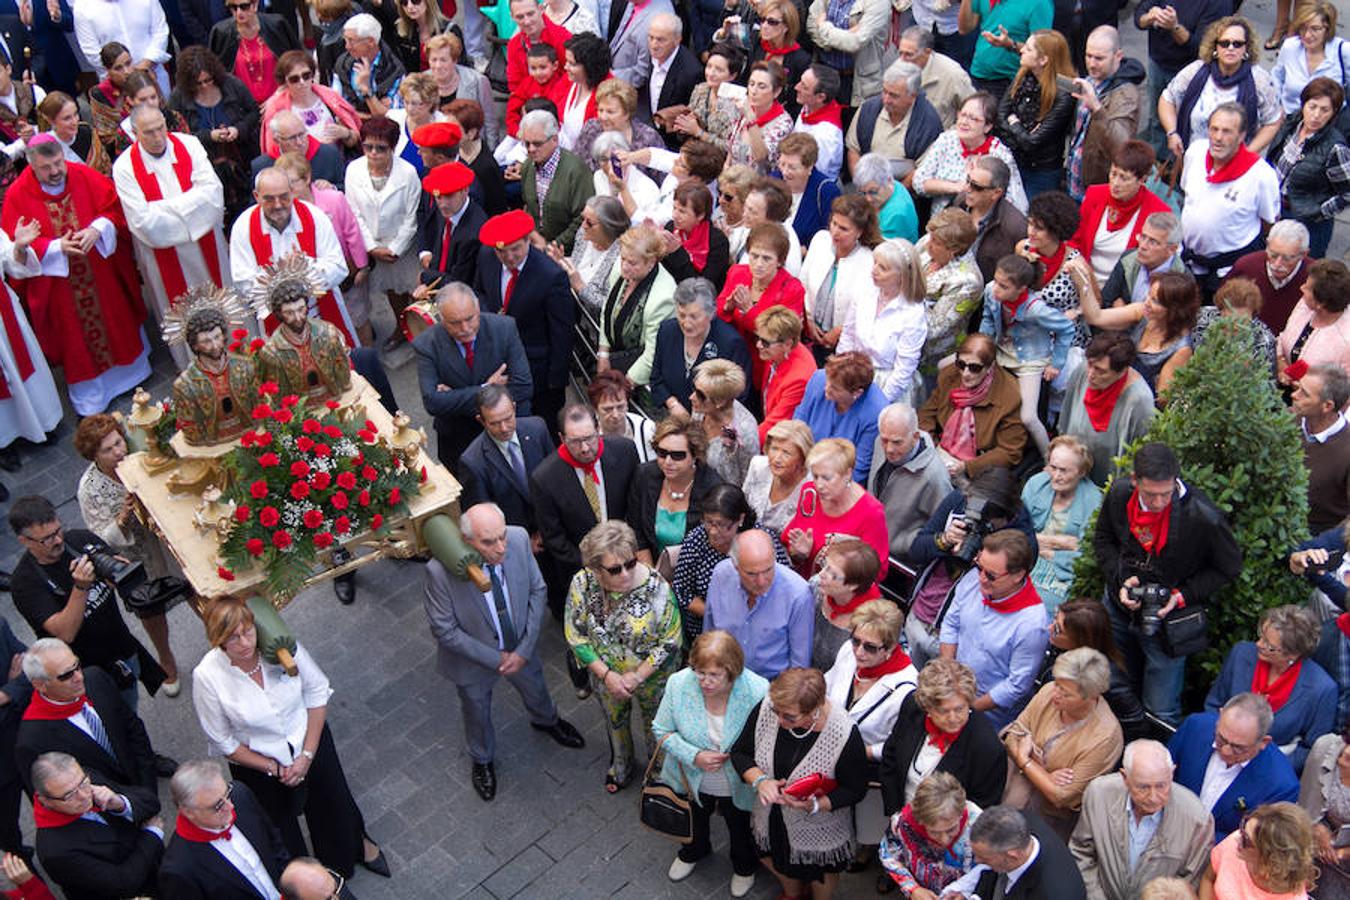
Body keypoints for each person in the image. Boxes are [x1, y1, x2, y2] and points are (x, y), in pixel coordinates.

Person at [190, 599, 387, 878]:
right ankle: (306, 882)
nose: (245, 643)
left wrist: (306, 756)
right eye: (233, 638)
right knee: (279, 828)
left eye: (248, 632)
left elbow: (317, 691)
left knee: (333, 805)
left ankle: (345, 859)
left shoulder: (279, 646)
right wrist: (273, 767)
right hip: (259, 765)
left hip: (310, 740)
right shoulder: (208, 676)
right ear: (218, 641)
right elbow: (223, 740)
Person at [424, 503, 585, 801]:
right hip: (474, 661)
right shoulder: (439, 572)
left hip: (520, 647)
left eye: (502, 537)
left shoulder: (520, 538)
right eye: (488, 542)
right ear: (465, 540)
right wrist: (495, 659)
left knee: (536, 686)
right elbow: (444, 630)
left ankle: (547, 720)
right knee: (476, 709)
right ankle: (482, 758)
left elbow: (538, 590)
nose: (500, 548)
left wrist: (523, 650)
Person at [1094, 442, 1242, 726]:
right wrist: (1121, 578)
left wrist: (1183, 595)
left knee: (1160, 710)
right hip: (1117, 608)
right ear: (1134, 480)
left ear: (1176, 481)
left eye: (1166, 493)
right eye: (1150, 495)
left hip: (1168, 620)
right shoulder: (1119, 494)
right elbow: (1104, 541)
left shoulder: (1202, 515)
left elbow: (1229, 567)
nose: (1159, 502)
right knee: (1113, 690)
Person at [1, 137, 149, 416]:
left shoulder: (82, 173)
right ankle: (91, 398)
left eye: (58, 163)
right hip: (59, 288)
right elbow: (12, 246)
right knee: (75, 340)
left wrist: (97, 228)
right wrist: (54, 247)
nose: (56, 171)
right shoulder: (18, 195)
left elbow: (114, 208)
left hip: (101, 274)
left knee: (116, 321)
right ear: (31, 165)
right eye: (46, 168)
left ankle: (132, 375)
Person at [7, 499, 164, 713]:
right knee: (111, 721)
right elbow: (65, 633)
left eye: (58, 530)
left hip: (124, 650)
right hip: (84, 675)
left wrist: (118, 571)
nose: (58, 540)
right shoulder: (25, 583)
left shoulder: (79, 539)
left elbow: (126, 577)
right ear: (25, 541)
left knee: (130, 707)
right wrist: (81, 587)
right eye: (47, 539)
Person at [730, 667, 868, 900]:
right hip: (771, 814)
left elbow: (855, 789)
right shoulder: (770, 707)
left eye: (790, 717)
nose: (780, 720)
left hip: (819, 824)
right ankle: (792, 893)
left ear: (815, 710)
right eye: (777, 712)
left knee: (819, 874)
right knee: (770, 855)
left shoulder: (844, 733)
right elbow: (740, 753)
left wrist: (814, 805)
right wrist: (761, 781)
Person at [566, 520, 682, 792]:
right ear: (595, 569)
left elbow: (671, 638)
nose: (627, 574)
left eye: (630, 563)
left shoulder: (655, 586)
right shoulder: (582, 584)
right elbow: (576, 634)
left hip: (654, 679)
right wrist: (607, 676)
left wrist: (637, 676)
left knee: (657, 727)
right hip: (607, 678)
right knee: (614, 722)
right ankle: (622, 764)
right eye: (615, 569)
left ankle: (657, 774)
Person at [652, 630, 768, 896]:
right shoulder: (679, 683)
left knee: (740, 826)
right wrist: (694, 755)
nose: (704, 681)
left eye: (714, 675)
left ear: (733, 670)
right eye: (699, 672)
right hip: (691, 776)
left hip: (737, 780)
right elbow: (661, 730)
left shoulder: (759, 690)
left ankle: (744, 867)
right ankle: (694, 850)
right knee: (694, 818)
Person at [112, 106, 228, 369]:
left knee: (222, 301)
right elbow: (144, 222)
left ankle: (234, 351)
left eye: (161, 128)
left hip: (207, 242)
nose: (157, 137)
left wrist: (165, 208)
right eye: (148, 132)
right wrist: (191, 207)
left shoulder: (190, 144)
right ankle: (193, 368)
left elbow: (211, 195)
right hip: (162, 254)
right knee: (179, 311)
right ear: (135, 133)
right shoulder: (124, 167)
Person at [73, 416, 180, 694]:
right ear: (94, 456)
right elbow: (97, 538)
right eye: (107, 450)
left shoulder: (138, 452)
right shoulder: (89, 489)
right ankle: (166, 659)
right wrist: (121, 519)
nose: (118, 451)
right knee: (151, 610)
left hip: (167, 537)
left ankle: (223, 641)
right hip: (136, 556)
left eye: (118, 442)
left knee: (193, 590)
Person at [531, 401, 642, 633]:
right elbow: (554, 538)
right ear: (561, 438)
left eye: (590, 438)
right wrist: (596, 567)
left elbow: (635, 506)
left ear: (598, 429)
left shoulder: (624, 451)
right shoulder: (545, 478)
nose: (585, 448)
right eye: (575, 441)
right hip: (582, 570)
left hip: (627, 561)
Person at [15, 637, 161, 800]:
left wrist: (148, 793)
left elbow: (133, 729)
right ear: (40, 685)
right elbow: (52, 801)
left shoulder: (96, 678)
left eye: (77, 666)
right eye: (66, 675)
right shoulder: (33, 742)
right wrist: (127, 808)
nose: (78, 677)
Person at [1001, 647, 1124, 838]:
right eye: (1056, 684)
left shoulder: (1105, 737)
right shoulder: (1049, 691)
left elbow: (1061, 796)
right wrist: (1044, 772)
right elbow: (1012, 737)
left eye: (1066, 693)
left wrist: (1026, 759)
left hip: (1046, 824)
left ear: (1091, 697)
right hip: (1010, 796)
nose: (1054, 694)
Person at [1069, 740, 1214, 898]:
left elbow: (1189, 881)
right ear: (1125, 777)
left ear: (1172, 773)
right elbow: (1081, 852)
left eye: (1161, 786)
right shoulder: (1099, 795)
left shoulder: (1197, 820)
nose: (1153, 797)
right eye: (1143, 787)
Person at [471, 209, 574, 427]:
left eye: (515, 249)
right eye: (502, 251)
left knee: (541, 425)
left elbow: (562, 332)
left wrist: (556, 381)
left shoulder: (551, 276)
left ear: (528, 240)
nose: (509, 257)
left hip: (536, 369)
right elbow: (478, 291)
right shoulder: (487, 257)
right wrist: (491, 315)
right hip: (496, 360)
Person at [939, 529, 1049, 731]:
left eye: (990, 575)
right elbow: (951, 624)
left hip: (987, 717)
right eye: (979, 566)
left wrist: (967, 708)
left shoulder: (1032, 624)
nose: (981, 578)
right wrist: (948, 674)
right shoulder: (973, 579)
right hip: (951, 691)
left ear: (1018, 575)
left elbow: (1016, 685)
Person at [1204, 606, 1337, 773]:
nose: (1259, 644)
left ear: (1293, 655)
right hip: (1219, 753)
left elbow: (1312, 749)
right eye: (1261, 636)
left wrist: (1269, 767)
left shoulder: (1322, 689)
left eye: (1270, 646)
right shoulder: (1241, 654)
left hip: (1267, 771)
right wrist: (1220, 745)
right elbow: (1214, 704)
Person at [414, 284, 534, 467]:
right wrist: (488, 388)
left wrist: (454, 396)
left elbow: (523, 386)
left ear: (478, 308)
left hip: (507, 432)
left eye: (470, 318)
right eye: (455, 323)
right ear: (441, 318)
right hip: (459, 439)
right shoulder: (426, 345)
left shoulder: (504, 328)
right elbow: (433, 402)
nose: (465, 328)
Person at [229, 168, 353, 343]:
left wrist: (304, 266)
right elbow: (242, 281)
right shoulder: (244, 226)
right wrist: (285, 280)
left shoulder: (314, 217)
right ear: (256, 196)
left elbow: (339, 267)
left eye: (284, 197)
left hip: (321, 313)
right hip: (276, 321)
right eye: (269, 199)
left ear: (292, 192)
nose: (278, 205)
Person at [880, 657, 1007, 826]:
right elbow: (891, 756)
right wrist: (895, 814)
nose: (953, 718)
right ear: (927, 707)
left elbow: (981, 809)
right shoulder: (912, 708)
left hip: (948, 835)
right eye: (943, 711)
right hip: (901, 820)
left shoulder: (987, 748)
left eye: (960, 709)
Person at [1178, 102, 1282, 300]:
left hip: (1229, 271)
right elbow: (1187, 194)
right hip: (1190, 264)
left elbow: (1270, 222)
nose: (1218, 138)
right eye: (1214, 129)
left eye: (1227, 131)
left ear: (1242, 135)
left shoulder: (1261, 174)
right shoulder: (1195, 153)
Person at [978, 252, 1075, 459]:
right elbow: (988, 317)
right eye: (996, 281)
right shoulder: (990, 292)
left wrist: (1056, 363)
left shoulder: (1036, 309)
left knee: (1029, 417)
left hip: (1029, 358)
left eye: (1004, 286)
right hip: (1002, 349)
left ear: (1021, 289)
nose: (996, 289)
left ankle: (1049, 458)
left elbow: (1066, 329)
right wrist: (982, 345)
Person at [29, 753, 163, 900]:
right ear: (45, 801)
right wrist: (152, 835)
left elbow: (151, 802)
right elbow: (122, 884)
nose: (84, 796)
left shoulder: (84, 781)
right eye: (69, 796)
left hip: (155, 868)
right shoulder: (55, 852)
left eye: (83, 784)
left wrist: (120, 803)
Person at [1170, 692, 1300, 843]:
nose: (1225, 750)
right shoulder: (1195, 727)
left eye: (1238, 748)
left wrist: (1198, 839)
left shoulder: (1281, 785)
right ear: (1220, 716)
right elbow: (1164, 776)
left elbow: (1256, 843)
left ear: (1263, 742)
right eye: (1221, 739)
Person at [158, 761, 289, 898]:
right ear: (188, 812)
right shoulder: (178, 870)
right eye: (218, 806)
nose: (230, 807)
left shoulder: (240, 795)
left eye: (227, 793)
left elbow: (273, 841)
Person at [344, 115, 420, 348]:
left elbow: (412, 216)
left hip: (403, 248)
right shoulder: (353, 170)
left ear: (393, 147)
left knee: (413, 290)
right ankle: (401, 327)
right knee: (391, 292)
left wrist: (395, 248)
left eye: (381, 148)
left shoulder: (407, 173)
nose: (373, 153)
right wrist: (373, 248)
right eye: (368, 146)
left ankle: (419, 329)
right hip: (375, 246)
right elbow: (353, 213)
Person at [918, 333, 1028, 495]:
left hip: (979, 466)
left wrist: (967, 467)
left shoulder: (1009, 396)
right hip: (940, 451)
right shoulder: (949, 376)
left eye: (974, 368)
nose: (965, 373)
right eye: (961, 364)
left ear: (990, 367)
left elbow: (1010, 451)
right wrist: (933, 448)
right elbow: (927, 414)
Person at [1160, 16, 1284, 159]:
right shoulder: (1195, 71)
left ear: (1246, 48)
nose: (1230, 48)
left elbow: (1273, 122)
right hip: (1193, 159)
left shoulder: (1260, 80)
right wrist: (1172, 133)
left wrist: (1247, 154)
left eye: (1237, 44)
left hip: (1236, 165)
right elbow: (1167, 99)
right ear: (1215, 47)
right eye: (1224, 43)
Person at [705, 530, 814, 680]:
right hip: (723, 679)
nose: (762, 581)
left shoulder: (798, 594)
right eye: (751, 574)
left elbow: (799, 664)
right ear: (735, 566)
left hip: (771, 687)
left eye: (768, 570)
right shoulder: (720, 575)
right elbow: (709, 635)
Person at [168, 47, 260, 220]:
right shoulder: (179, 97)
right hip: (205, 165)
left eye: (208, 80)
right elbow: (176, 135)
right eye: (198, 83)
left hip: (242, 158)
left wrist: (238, 129)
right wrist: (208, 136)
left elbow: (253, 112)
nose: (204, 86)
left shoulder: (232, 84)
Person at [1265, 77, 1350, 259]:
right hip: (1276, 207)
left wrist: (1319, 212)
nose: (1316, 115)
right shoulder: (1291, 124)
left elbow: (1347, 192)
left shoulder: (1335, 147)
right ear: (1303, 105)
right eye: (1313, 107)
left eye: (1325, 110)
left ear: (1333, 113)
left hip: (1308, 220)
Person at [1081, 270, 1200, 399]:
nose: (1147, 302)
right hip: (1110, 385)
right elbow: (1096, 317)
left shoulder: (1182, 350)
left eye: (1156, 301)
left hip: (1136, 400)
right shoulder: (1141, 312)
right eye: (1149, 295)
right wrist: (1082, 281)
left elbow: (1162, 398)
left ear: (1174, 310)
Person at [1057, 333, 1156, 487]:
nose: (1090, 374)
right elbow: (1065, 419)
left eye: (1100, 371)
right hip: (1070, 477)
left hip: (1106, 485)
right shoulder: (1083, 371)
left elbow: (1141, 455)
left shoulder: (1140, 401)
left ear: (1122, 371)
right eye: (1090, 365)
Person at [715, 223, 804, 391]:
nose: (758, 264)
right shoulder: (737, 272)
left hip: (764, 368)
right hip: (732, 360)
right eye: (754, 256)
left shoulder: (792, 289)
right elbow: (718, 311)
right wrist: (728, 307)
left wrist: (749, 310)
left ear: (780, 261)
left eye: (766, 258)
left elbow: (780, 335)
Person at [1071, 141, 1172, 287]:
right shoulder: (1095, 194)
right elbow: (1076, 241)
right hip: (1085, 281)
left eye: (1124, 178)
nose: (1115, 183)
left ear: (1142, 180)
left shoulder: (1158, 211)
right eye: (1113, 174)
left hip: (1124, 291)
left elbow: (1155, 264)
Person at [1019, 437, 1102, 612]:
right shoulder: (1036, 484)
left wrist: (1046, 550)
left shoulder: (1093, 499)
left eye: (1064, 471)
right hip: (1026, 563)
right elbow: (1018, 533)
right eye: (1053, 468)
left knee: (1042, 609)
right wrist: (1062, 543)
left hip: (1062, 576)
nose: (1056, 476)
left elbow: (1086, 554)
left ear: (1081, 472)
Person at [253, 261, 352, 407]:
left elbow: (343, 377)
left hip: (337, 399)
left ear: (307, 305)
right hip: (302, 413)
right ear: (278, 314)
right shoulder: (272, 352)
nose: (298, 317)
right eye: (289, 313)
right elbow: (280, 397)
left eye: (301, 309)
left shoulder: (327, 333)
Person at [839, 239, 927, 404]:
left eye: (883, 268)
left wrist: (880, 401)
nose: (874, 270)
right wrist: (842, 372)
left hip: (887, 384)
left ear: (902, 275)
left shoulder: (913, 312)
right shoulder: (864, 292)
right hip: (855, 373)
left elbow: (904, 367)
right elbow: (848, 335)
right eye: (875, 263)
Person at [627, 413, 723, 562]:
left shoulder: (713, 488)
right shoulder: (644, 475)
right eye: (662, 453)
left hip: (693, 571)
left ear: (696, 455)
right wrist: (652, 577)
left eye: (678, 455)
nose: (668, 461)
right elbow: (636, 530)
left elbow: (713, 545)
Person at [457, 387, 555, 533]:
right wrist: (520, 540)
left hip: (555, 526)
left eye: (508, 418)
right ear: (481, 421)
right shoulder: (473, 462)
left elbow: (556, 478)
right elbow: (484, 519)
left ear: (514, 408)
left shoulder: (537, 429)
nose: (504, 428)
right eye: (494, 423)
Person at [0, 216, 58, 461]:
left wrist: (20, 246)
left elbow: (12, 262)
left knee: (20, 365)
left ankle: (41, 421)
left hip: (4, 314)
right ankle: (4, 442)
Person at [651, 279, 752, 420]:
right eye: (681, 315)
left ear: (711, 313)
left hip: (712, 423)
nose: (686, 323)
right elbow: (656, 379)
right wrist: (673, 405)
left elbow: (738, 397)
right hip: (671, 417)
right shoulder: (667, 331)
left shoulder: (731, 343)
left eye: (694, 316)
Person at [1066, 27, 1147, 201]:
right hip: (1074, 180)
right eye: (1088, 56)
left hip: (1098, 189)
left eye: (1099, 58)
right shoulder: (1089, 81)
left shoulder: (1126, 94)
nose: (1092, 64)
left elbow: (1121, 146)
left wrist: (1097, 108)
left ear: (1118, 56)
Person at [914, 93, 1028, 216]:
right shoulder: (947, 140)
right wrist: (956, 187)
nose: (964, 122)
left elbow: (1015, 203)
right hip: (941, 221)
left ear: (988, 127)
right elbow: (919, 182)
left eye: (973, 119)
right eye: (962, 115)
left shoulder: (1000, 155)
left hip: (982, 226)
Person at [940, 804, 1088, 899]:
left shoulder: (1055, 895)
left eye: (984, 858)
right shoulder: (1019, 822)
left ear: (1013, 855)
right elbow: (989, 873)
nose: (977, 861)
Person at [995, 29, 1077, 199]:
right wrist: (1021, 133)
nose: (1022, 50)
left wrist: (1015, 123)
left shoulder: (1063, 94)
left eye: (1029, 48)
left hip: (1042, 172)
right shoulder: (1023, 77)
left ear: (1043, 59)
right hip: (1014, 161)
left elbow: (1034, 141)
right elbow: (1001, 116)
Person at [869, 403, 952, 566]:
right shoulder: (880, 440)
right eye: (885, 440)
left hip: (899, 561)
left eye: (897, 442)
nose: (889, 449)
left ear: (915, 437)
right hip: (870, 544)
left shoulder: (934, 476)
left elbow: (942, 527)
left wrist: (908, 543)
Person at [594, 224, 676, 389]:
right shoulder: (622, 267)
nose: (624, 266)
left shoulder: (663, 298)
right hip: (615, 354)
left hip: (639, 372)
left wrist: (623, 386)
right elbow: (607, 309)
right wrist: (603, 354)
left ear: (651, 262)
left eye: (632, 263)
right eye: (623, 258)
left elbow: (652, 353)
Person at [878, 771, 981, 898]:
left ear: (961, 813)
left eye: (951, 829)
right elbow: (888, 854)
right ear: (919, 820)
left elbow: (990, 867)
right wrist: (913, 888)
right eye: (933, 832)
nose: (944, 840)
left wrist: (965, 892)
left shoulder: (980, 825)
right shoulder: (902, 823)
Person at [792, 354, 888, 483]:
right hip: (802, 468)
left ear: (856, 393)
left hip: (838, 483)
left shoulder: (875, 413)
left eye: (835, 388)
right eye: (827, 382)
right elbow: (796, 428)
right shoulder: (819, 379)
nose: (826, 388)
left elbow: (858, 469)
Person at [845, 60, 944, 182]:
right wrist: (863, 187)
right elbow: (854, 150)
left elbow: (921, 170)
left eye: (894, 95)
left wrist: (893, 196)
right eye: (884, 91)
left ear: (912, 96)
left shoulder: (929, 123)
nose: (886, 99)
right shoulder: (868, 109)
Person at [914, 215, 981, 396]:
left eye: (935, 242)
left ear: (953, 250)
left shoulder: (967, 280)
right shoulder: (930, 241)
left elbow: (934, 328)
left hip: (932, 358)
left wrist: (907, 292)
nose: (928, 244)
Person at [1200, 802, 1316, 899]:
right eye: (1242, 827)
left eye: (1246, 840)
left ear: (1272, 858)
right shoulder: (1234, 843)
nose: (1237, 838)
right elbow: (1208, 879)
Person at [259, 50, 361, 156]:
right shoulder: (276, 107)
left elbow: (354, 139)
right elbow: (273, 150)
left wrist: (345, 133)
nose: (302, 82)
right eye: (295, 79)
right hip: (300, 167)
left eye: (306, 75)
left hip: (335, 163)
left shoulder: (329, 96)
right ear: (285, 81)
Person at [552, 195, 627, 329]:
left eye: (589, 222)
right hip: (569, 313)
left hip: (593, 329)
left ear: (608, 226)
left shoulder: (623, 257)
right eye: (583, 219)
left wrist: (580, 287)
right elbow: (575, 268)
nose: (583, 225)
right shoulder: (583, 234)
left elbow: (613, 308)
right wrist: (562, 263)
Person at [1291, 364, 1350, 534]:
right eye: (1298, 388)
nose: (1294, 395)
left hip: (1319, 539)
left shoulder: (1346, 449)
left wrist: (1316, 547)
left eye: (1304, 394)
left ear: (1327, 406)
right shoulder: (1284, 422)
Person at [1227, 220, 1313, 335]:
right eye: (1273, 255)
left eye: (1287, 258)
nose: (1277, 264)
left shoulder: (1314, 278)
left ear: (1304, 254)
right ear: (1267, 244)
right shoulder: (1245, 267)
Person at [207, 0, 300, 104]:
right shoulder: (221, 33)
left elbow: (297, 62)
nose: (239, 12)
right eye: (233, 7)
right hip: (243, 107)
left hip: (281, 100)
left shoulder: (276, 24)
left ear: (255, 5)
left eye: (244, 6)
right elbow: (215, 74)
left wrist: (279, 96)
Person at [810, 537, 882, 669]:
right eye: (825, 565)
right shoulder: (816, 586)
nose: (821, 574)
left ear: (853, 585)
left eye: (833, 574)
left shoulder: (874, 621)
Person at [73, 0, 170, 97]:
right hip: (116, 87)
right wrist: (121, 71)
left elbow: (160, 31)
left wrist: (146, 63)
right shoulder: (82, 7)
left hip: (152, 73)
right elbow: (91, 52)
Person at [959, 155, 1028, 285]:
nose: (967, 188)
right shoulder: (960, 203)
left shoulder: (1015, 227)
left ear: (996, 193)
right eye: (968, 180)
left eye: (976, 187)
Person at [1279, 260, 1350, 384]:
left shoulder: (1345, 341)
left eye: (1307, 288)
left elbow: (1343, 391)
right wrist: (1281, 365)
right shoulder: (1305, 305)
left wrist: (1305, 388)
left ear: (1321, 303)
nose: (1302, 288)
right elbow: (1282, 337)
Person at [1100, 210, 1188, 310]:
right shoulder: (1129, 258)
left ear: (1172, 249)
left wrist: (1126, 313)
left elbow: (1175, 322)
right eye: (1143, 236)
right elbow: (1106, 300)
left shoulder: (1183, 281)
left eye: (1153, 242)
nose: (1142, 246)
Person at [1298, 731, 1350, 897]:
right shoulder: (1326, 748)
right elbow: (1304, 807)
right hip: (1313, 842)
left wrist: (1343, 853)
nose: (1347, 752)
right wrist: (1316, 827)